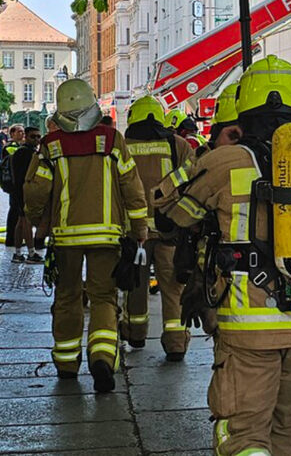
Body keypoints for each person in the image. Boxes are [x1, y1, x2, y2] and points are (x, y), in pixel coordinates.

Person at [154, 55, 291, 455]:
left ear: (244, 113)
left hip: (245, 326)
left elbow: (167, 205)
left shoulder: (224, 163)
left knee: (244, 434)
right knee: (288, 426)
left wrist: (210, 150)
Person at [24, 78, 148, 392]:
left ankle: (67, 364)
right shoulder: (112, 140)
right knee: (104, 297)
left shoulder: (50, 145)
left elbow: (35, 190)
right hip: (107, 235)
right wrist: (139, 230)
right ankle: (102, 357)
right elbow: (132, 188)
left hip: (65, 237)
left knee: (67, 298)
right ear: (92, 104)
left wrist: (38, 223)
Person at [119, 95, 195, 360]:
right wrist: (169, 186)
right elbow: (193, 172)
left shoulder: (125, 146)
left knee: (136, 285)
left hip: (135, 230)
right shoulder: (177, 144)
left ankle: (135, 334)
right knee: (173, 288)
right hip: (170, 228)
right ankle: (176, 343)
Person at [10, 127, 44, 264]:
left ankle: (17, 253)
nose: (36, 139)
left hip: (17, 190)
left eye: (38, 136)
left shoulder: (21, 152)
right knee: (26, 222)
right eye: (33, 136)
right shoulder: (27, 153)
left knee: (20, 221)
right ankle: (31, 253)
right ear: (26, 137)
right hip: (24, 190)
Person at [2, 124, 24, 249]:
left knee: (18, 210)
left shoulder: (20, 146)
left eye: (23, 132)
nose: (22, 134)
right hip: (14, 183)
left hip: (18, 182)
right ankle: (11, 239)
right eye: (19, 132)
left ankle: (18, 236)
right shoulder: (10, 147)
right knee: (14, 210)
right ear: (12, 134)